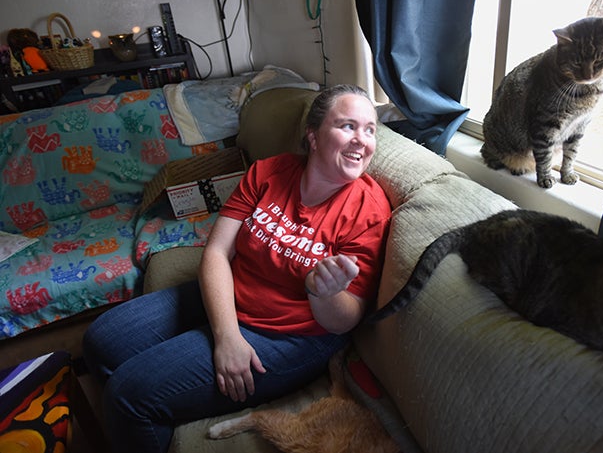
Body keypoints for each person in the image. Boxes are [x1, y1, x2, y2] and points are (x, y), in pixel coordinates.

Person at [82, 84, 392, 453]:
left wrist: (322, 292)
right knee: (100, 341)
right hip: (232, 292)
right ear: (312, 135)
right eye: (348, 126)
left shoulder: (368, 210)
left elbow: (343, 321)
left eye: (370, 129)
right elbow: (215, 252)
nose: (362, 140)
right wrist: (226, 336)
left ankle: (143, 415)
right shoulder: (269, 172)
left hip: (289, 335)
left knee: (128, 395)